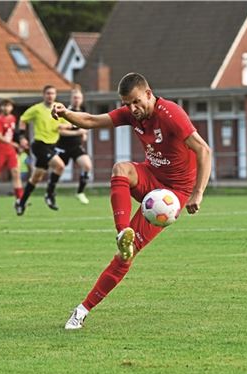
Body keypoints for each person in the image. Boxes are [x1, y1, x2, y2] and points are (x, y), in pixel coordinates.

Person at [52, 72, 212, 329]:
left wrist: (198, 192)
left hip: (173, 193)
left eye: (137, 102)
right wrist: (65, 113)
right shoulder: (131, 113)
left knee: (125, 258)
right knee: (121, 169)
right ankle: (122, 231)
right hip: (151, 177)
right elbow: (91, 120)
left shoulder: (171, 114)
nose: (132, 108)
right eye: (128, 104)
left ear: (149, 93)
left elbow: (203, 149)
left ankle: (82, 310)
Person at [14, 85, 67, 215]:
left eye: (53, 93)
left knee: (36, 178)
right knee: (60, 166)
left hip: (52, 145)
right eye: (48, 93)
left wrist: (64, 126)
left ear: (55, 95)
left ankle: (21, 203)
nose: (50, 96)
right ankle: (49, 195)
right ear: (43, 95)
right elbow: (22, 119)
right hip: (40, 145)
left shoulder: (59, 108)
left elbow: (68, 122)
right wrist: (21, 137)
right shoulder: (37, 109)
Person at [56, 88, 93, 205]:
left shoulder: (81, 112)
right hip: (63, 147)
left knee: (87, 165)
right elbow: (60, 130)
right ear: (71, 99)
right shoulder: (65, 112)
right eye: (75, 97)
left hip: (76, 147)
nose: (77, 100)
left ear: (82, 99)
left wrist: (83, 136)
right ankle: (50, 192)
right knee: (55, 169)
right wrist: (78, 132)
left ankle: (80, 192)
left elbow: (84, 130)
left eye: (79, 98)